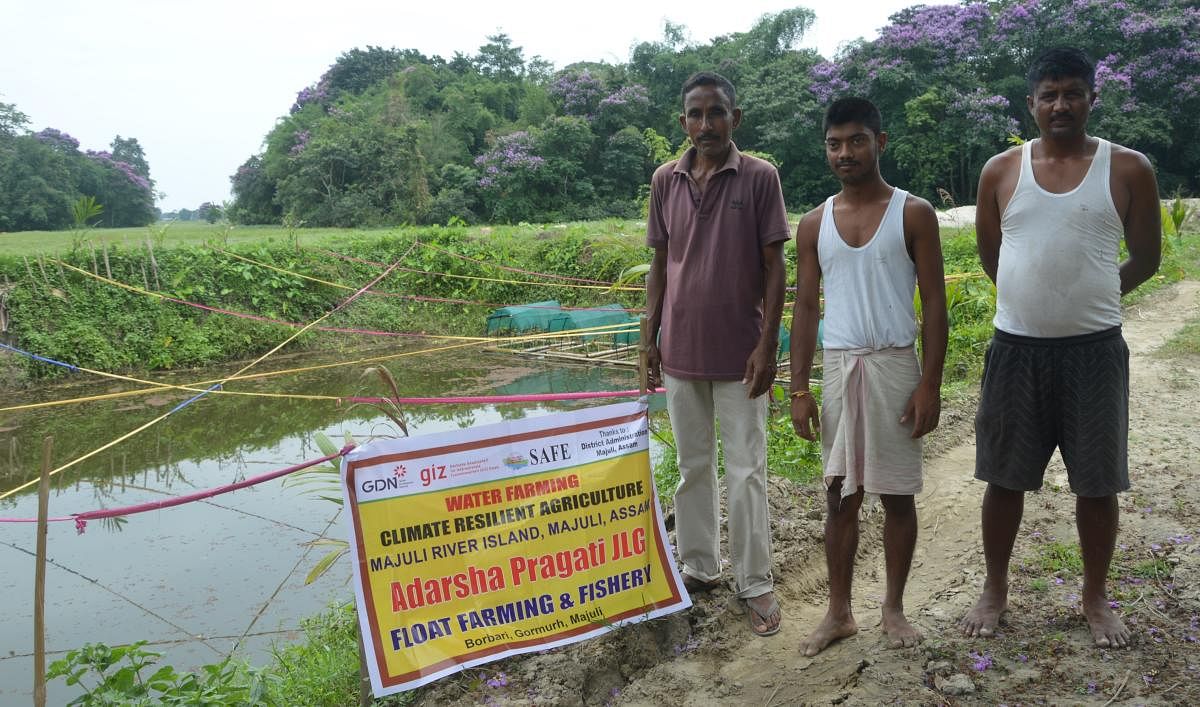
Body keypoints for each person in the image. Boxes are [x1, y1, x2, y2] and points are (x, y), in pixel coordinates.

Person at [960, 47, 1161, 649]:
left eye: (1073, 92)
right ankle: (995, 588)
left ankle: (1094, 596)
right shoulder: (1000, 169)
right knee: (1004, 478)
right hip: (1015, 351)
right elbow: (992, 256)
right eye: (1048, 94)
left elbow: (1147, 258)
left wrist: (1092, 294)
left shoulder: (1128, 169)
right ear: (1031, 103)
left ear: (1092, 98)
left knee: (1097, 484)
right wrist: (1033, 302)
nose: (1061, 104)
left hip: (1095, 353)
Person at [790, 97, 948, 656]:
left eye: (856, 140)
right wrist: (799, 388)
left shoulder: (913, 213)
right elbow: (805, 309)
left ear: (880, 142)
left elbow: (934, 303)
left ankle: (894, 607)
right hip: (839, 368)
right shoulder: (814, 223)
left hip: (893, 364)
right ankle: (839, 613)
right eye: (834, 143)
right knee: (838, 496)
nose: (845, 153)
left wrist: (930, 383)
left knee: (897, 495)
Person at [644, 71, 790, 637]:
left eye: (717, 113)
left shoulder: (758, 177)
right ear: (683, 122)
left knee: (748, 469)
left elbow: (775, 265)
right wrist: (647, 338)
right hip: (680, 352)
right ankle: (700, 568)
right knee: (692, 467)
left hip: (741, 356)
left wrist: (767, 344)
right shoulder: (666, 180)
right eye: (696, 115)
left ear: (736, 118)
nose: (706, 124)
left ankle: (755, 582)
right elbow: (660, 264)